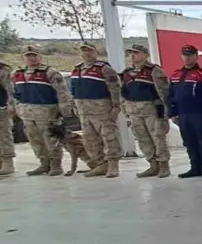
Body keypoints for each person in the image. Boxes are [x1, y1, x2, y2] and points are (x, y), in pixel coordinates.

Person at [13, 46, 73, 176]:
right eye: (28, 56)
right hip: (27, 114)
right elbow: (13, 94)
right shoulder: (17, 73)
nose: (32, 58)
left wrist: (64, 110)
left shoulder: (50, 72)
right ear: (23, 57)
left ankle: (56, 165)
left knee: (51, 139)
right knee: (35, 140)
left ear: (40, 56)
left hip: (47, 112)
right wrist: (15, 108)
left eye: (34, 55)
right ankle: (44, 164)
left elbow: (63, 92)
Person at [69, 42, 123, 178]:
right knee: (90, 140)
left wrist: (116, 107)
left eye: (89, 50)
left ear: (95, 52)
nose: (86, 53)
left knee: (109, 138)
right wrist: (74, 106)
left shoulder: (104, 68)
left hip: (102, 110)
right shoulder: (76, 70)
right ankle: (100, 165)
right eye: (83, 50)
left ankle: (112, 165)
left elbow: (115, 89)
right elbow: (73, 91)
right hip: (84, 111)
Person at [120, 44, 171, 178]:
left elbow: (164, 92)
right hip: (133, 110)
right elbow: (123, 93)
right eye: (131, 53)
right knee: (142, 139)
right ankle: (153, 165)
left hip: (151, 110)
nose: (132, 55)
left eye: (136, 52)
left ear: (145, 54)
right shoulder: (126, 73)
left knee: (158, 137)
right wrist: (125, 111)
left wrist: (164, 111)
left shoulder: (154, 70)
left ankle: (164, 165)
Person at [167, 45, 202, 179]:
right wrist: (172, 113)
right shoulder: (176, 75)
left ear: (196, 56)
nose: (187, 58)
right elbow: (170, 95)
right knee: (189, 142)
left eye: (190, 55)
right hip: (182, 114)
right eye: (185, 55)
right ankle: (195, 168)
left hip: (198, 114)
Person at [0, 57, 15, 176]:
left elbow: (10, 90)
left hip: (1, 108)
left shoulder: (3, 71)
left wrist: (10, 104)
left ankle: (7, 162)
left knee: (4, 136)